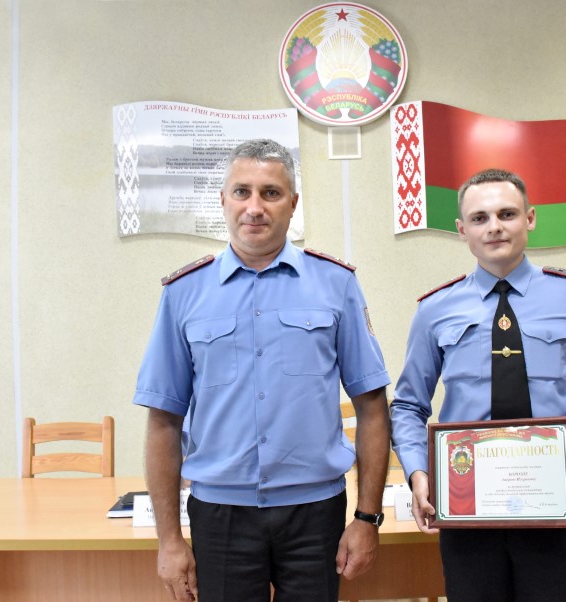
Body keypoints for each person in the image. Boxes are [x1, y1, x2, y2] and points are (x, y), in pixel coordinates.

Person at [132, 139, 391, 602]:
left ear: (293, 203)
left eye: (271, 193)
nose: (255, 207)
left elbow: (372, 406)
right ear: (223, 201)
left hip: (315, 512)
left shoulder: (336, 284)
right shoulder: (183, 293)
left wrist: (367, 518)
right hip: (220, 515)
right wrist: (169, 539)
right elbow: (163, 421)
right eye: (242, 192)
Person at [390, 168, 566, 601]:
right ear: (462, 230)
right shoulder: (435, 309)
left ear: (530, 218)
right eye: (480, 218)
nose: (494, 227)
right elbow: (408, 406)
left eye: (506, 214)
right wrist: (418, 472)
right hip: (466, 506)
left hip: (555, 504)